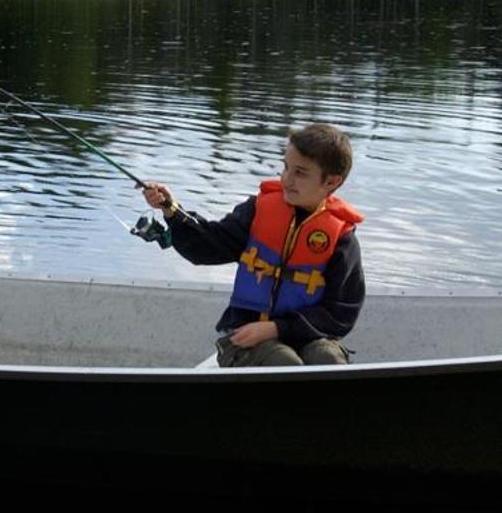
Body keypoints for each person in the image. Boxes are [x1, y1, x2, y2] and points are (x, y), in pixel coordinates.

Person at [141, 123, 364, 367]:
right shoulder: (258, 210)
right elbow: (208, 246)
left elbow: (341, 313)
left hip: (309, 336)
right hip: (246, 336)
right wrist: (172, 211)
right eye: (286, 167)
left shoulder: (341, 238)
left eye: (300, 173)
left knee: (328, 357)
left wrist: (277, 328)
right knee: (283, 362)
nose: (287, 179)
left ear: (331, 182)